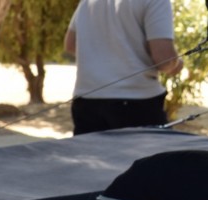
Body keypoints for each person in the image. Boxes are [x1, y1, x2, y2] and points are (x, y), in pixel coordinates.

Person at [64, 0, 184, 136]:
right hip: (136, 102)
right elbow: (164, 59)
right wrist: (176, 64)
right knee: (151, 157)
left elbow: (70, 44)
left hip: (87, 100)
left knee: (91, 157)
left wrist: (104, 56)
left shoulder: (87, 2)